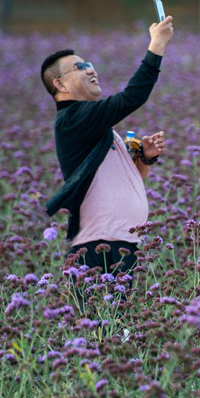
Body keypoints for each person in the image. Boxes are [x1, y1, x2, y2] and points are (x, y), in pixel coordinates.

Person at [41, 15, 174, 293]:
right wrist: (157, 45)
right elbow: (132, 97)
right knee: (103, 330)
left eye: (89, 64)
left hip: (120, 244)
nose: (91, 70)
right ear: (60, 85)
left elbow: (129, 181)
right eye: (80, 68)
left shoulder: (99, 128)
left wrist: (145, 158)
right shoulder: (73, 118)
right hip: (97, 248)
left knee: (118, 330)